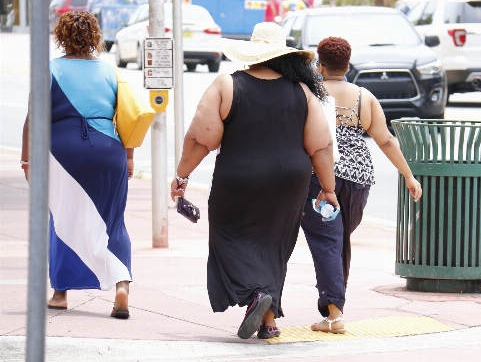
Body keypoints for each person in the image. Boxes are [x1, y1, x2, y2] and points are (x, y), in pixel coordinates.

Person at [170, 22, 338, 340]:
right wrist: (328, 189)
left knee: (228, 235)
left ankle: (256, 295)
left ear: (252, 53)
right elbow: (322, 145)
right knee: (275, 243)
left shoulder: (228, 86)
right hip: (290, 182)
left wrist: (182, 176)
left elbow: (200, 139)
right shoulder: (303, 92)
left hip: (239, 178)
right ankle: (268, 320)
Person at [301, 37, 422, 333]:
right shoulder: (363, 97)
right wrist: (408, 175)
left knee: (328, 242)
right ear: (348, 64)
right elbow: (385, 139)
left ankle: (335, 312)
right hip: (358, 180)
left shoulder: (308, 93)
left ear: (321, 65)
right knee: (339, 239)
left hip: (320, 176)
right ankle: (333, 310)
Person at [20, 11, 133, 319]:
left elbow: (33, 119)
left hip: (63, 153)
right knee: (113, 220)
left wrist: (27, 160)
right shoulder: (111, 72)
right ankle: (121, 284)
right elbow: (127, 117)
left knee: (63, 219)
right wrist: (129, 157)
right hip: (109, 150)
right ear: (95, 37)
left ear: (62, 37)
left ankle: (60, 294)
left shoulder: (50, 69)